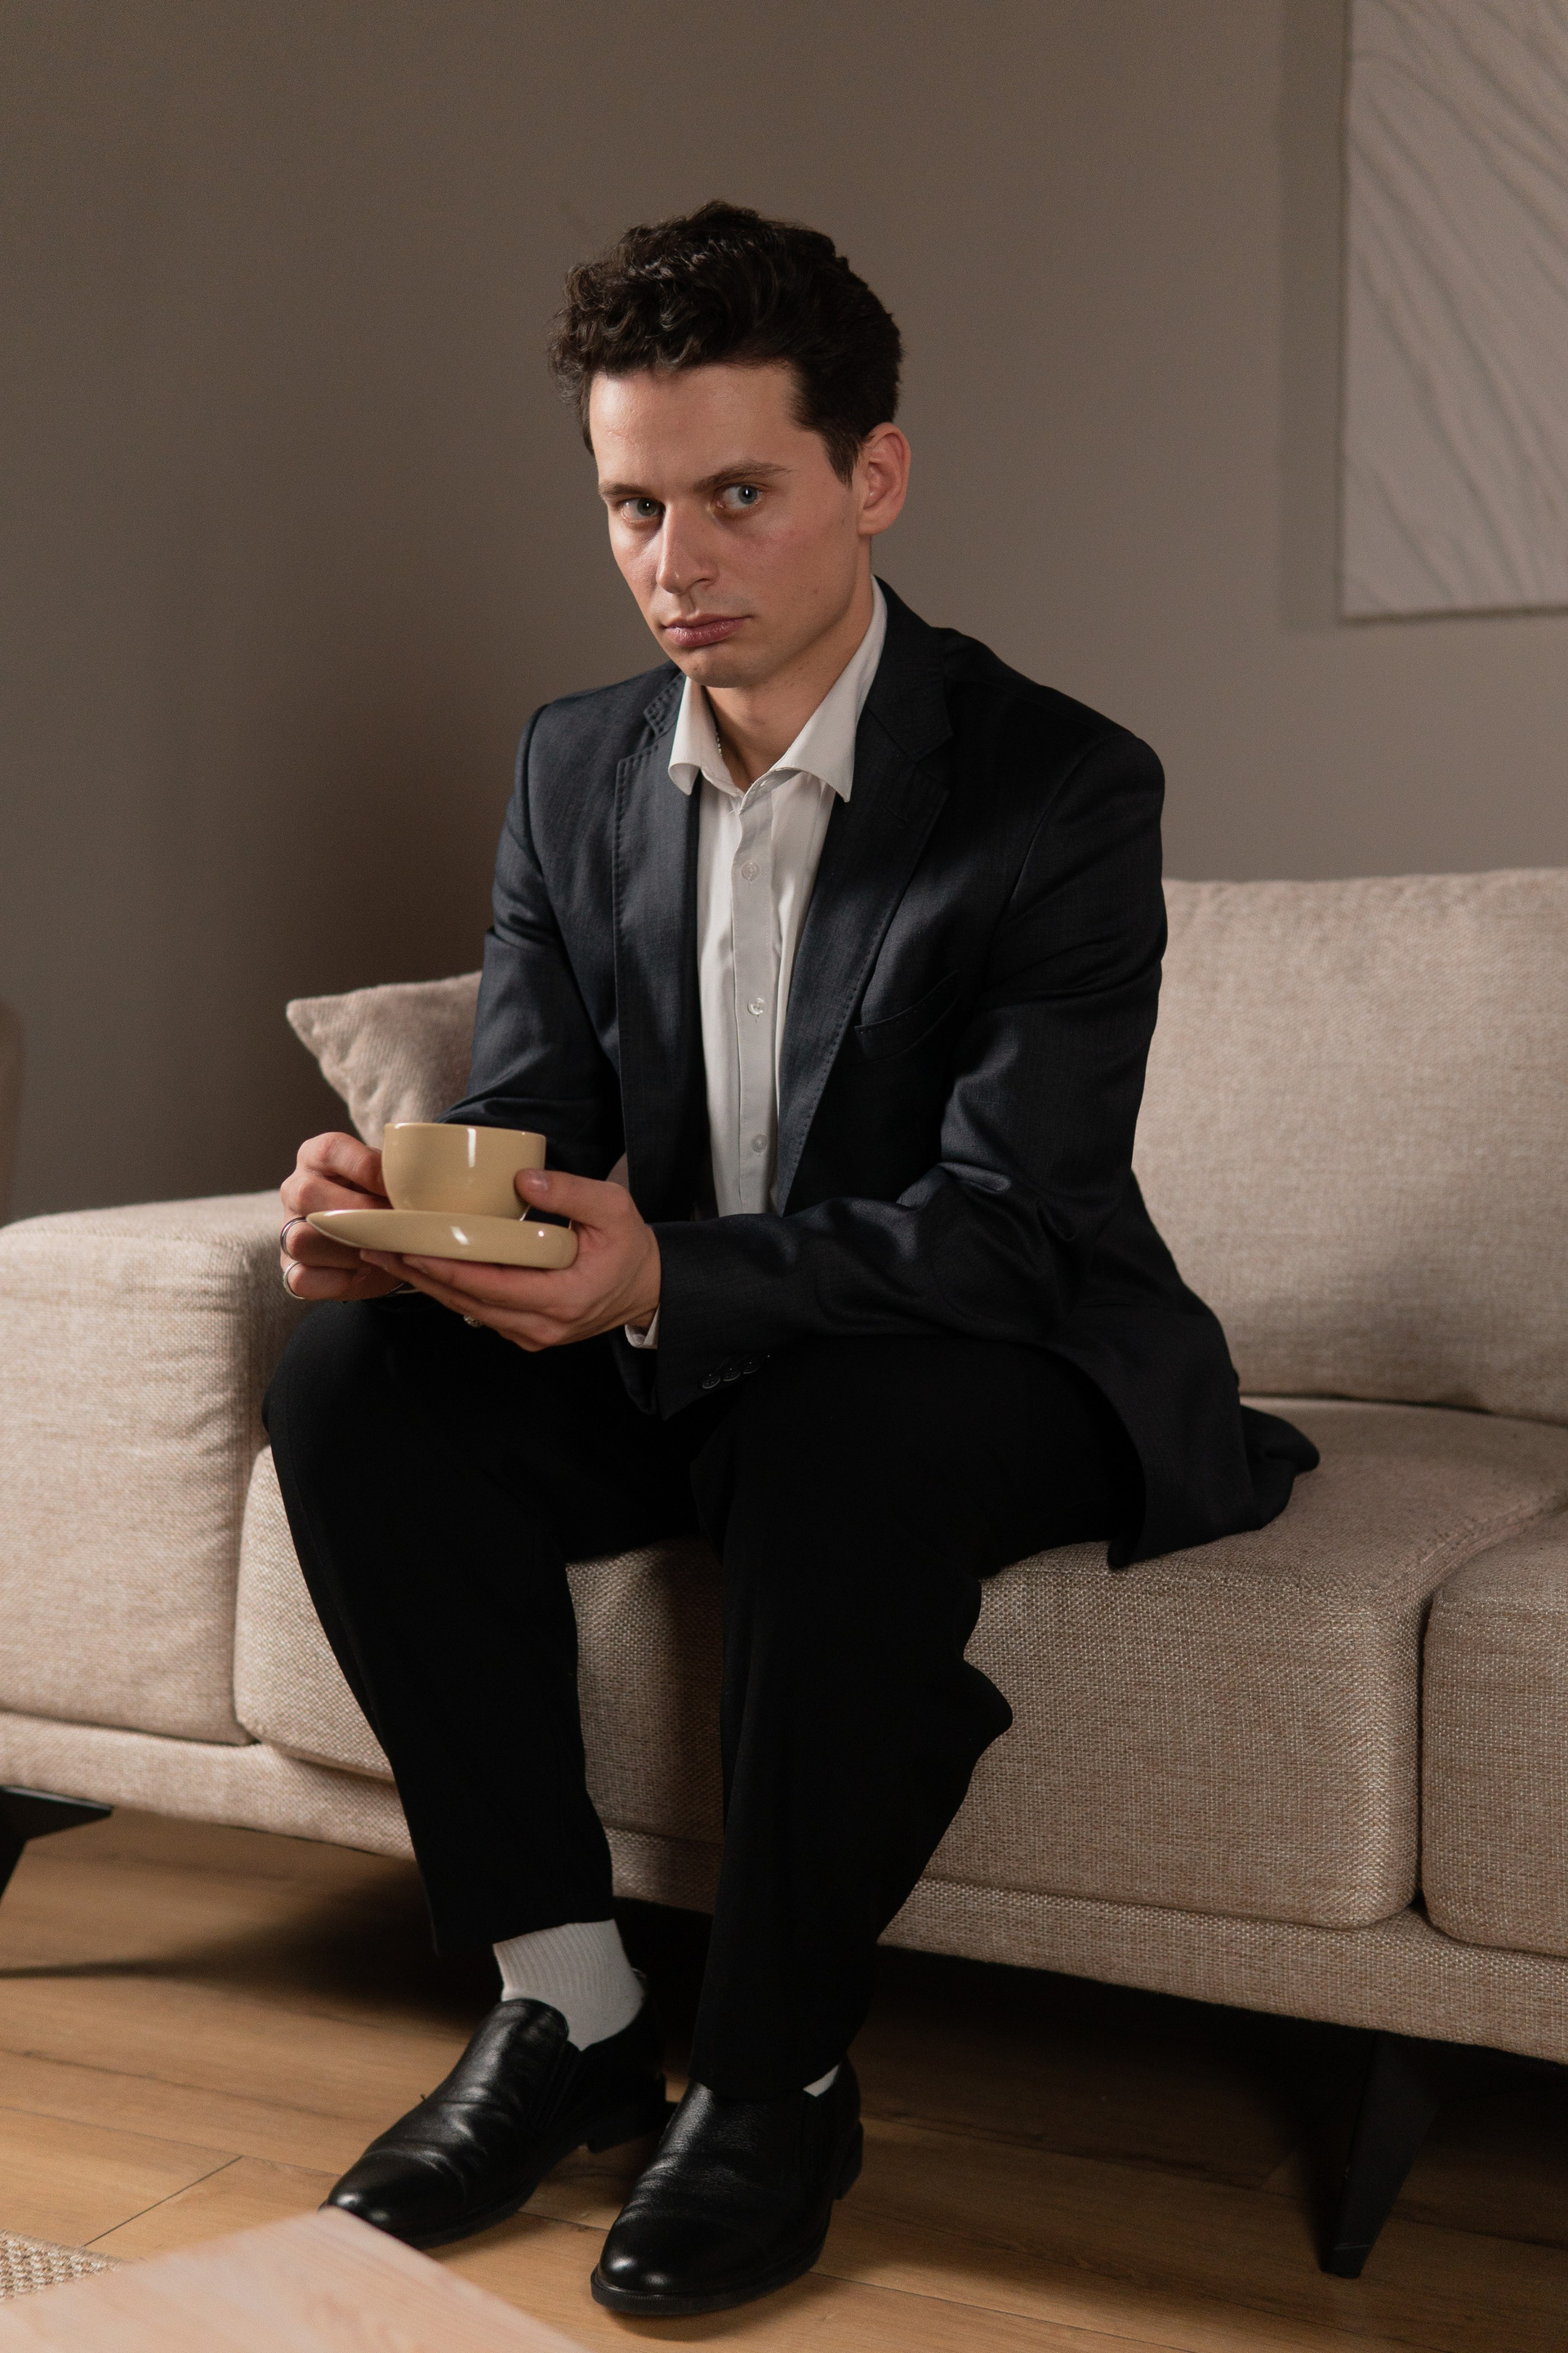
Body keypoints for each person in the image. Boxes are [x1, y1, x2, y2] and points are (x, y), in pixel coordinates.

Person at [268, 200, 1315, 2320]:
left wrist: (659, 1282)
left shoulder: (1057, 786)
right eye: (633, 506)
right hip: (696, 1332)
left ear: (875, 474)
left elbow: (1011, 1219)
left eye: (738, 494)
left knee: (839, 1435)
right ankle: (565, 2006)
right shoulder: (574, 764)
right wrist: (415, 1226)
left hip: (995, 1340)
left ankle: (773, 2077)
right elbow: (546, 1131)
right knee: (349, 1382)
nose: (679, 560)